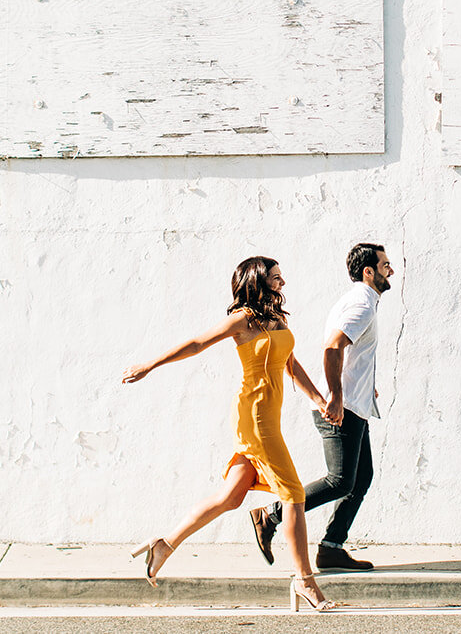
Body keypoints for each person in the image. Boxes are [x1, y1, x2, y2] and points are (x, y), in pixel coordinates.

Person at [122, 255, 338, 611]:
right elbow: (196, 343)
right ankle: (305, 582)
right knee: (295, 495)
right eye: (276, 278)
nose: (282, 283)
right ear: (257, 281)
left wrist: (317, 398)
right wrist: (150, 364)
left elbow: (289, 362)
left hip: (267, 417)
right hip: (256, 420)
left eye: (282, 277)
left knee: (231, 496)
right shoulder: (243, 320)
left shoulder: (277, 319)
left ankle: (165, 543)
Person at [251, 242, 393, 572]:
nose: (392, 271)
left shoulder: (362, 302)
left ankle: (331, 548)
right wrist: (336, 396)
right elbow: (332, 348)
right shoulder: (362, 304)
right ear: (368, 271)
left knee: (361, 478)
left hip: (354, 406)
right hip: (339, 408)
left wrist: (362, 384)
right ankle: (269, 515)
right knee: (340, 480)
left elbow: (351, 352)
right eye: (385, 265)